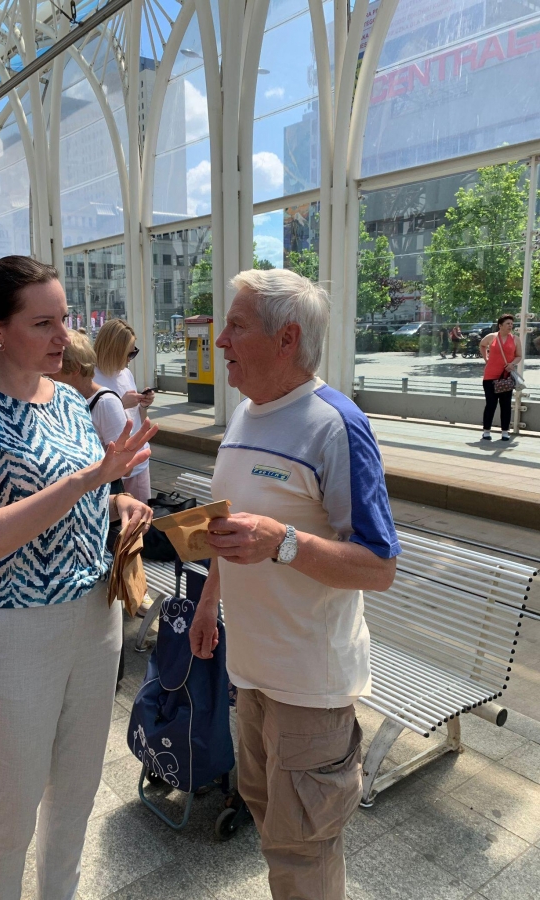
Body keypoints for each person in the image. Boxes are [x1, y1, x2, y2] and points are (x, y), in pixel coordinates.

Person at [0, 255, 157, 899]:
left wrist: (114, 502)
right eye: (43, 323)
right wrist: (88, 480)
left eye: (65, 319)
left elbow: (76, 495)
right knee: (12, 810)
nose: (63, 337)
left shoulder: (72, 404)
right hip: (14, 627)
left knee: (76, 797)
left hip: (96, 617)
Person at [189, 269, 399, 900]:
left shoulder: (336, 425)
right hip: (251, 672)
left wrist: (284, 541)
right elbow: (232, 525)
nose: (220, 340)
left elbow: (379, 566)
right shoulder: (245, 414)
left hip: (310, 685)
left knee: (303, 848)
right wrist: (208, 601)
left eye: (236, 325)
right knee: (269, 821)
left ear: (286, 340)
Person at [51, 331, 155, 618]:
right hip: (93, 492)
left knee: (117, 553)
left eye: (54, 371)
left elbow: (124, 463)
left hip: (106, 492)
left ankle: (135, 600)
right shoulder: (73, 398)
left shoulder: (104, 402)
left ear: (73, 369)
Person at [94, 318, 155, 503]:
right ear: (113, 351)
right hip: (109, 467)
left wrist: (143, 404)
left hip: (138, 461)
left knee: (140, 517)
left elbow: (137, 418)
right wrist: (120, 404)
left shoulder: (126, 374)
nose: (130, 359)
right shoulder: (91, 377)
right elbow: (90, 418)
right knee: (114, 517)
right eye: (129, 354)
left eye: (134, 352)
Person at [479, 314, 522, 441]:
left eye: (511, 324)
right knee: (491, 404)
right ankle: (486, 431)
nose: (510, 326)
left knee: (505, 405)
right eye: (508, 323)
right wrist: (486, 358)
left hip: (506, 377)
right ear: (500, 325)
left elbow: (519, 355)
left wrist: (512, 364)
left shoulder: (515, 339)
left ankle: (505, 431)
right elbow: (482, 345)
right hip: (490, 376)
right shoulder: (492, 337)